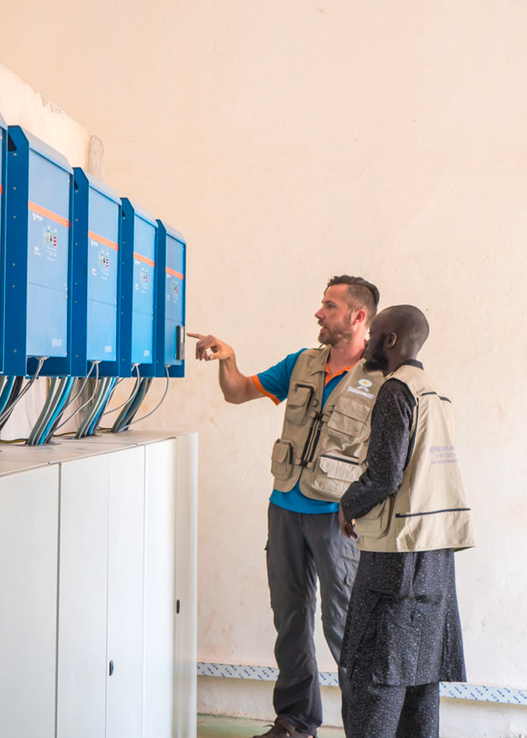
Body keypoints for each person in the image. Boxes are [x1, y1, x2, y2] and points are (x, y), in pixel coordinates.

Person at [190, 275, 386, 738]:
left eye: (330, 306)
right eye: (322, 304)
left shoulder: (382, 380)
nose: (319, 313)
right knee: (290, 619)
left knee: (346, 626)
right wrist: (228, 359)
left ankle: (369, 728)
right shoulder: (301, 363)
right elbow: (236, 391)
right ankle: (295, 723)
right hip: (284, 509)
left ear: (358, 317)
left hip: (340, 520)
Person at [338, 305, 476, 738]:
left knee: (374, 678)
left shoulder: (396, 390)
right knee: (420, 680)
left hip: (395, 559)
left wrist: (348, 505)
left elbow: (385, 473)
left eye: (374, 334)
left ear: (390, 340)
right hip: (435, 559)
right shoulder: (437, 394)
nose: (367, 343)